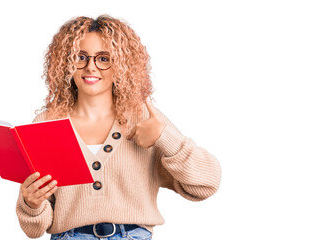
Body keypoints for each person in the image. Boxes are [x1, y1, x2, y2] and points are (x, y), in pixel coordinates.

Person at [16, 15, 222, 240]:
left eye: (104, 58)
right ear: (66, 62)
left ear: (121, 64)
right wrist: (31, 203)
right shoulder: (47, 124)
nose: (90, 67)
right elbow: (34, 230)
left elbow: (206, 184)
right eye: (80, 57)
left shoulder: (142, 116)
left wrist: (165, 137)